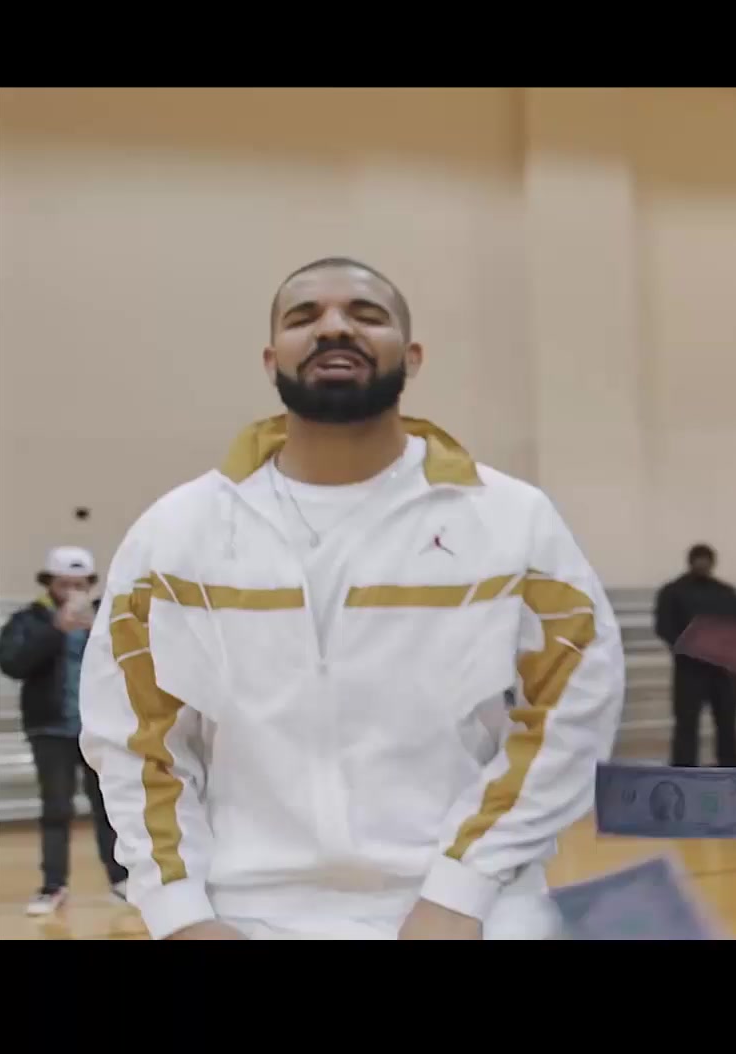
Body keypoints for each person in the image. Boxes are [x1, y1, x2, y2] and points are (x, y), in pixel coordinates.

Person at [78, 256, 625, 941]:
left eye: (366, 315)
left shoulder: (511, 519)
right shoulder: (177, 532)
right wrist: (182, 916)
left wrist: (464, 888)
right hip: (242, 913)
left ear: (413, 356)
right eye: (304, 317)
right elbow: (135, 740)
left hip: (475, 909)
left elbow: (573, 707)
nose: (335, 328)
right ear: (272, 359)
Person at [0, 546, 129, 915]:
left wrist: (102, 632)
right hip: (50, 729)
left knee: (108, 807)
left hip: (99, 729)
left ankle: (121, 879)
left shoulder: (108, 617)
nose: (72, 591)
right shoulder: (29, 619)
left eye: (80, 584)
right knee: (56, 808)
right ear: (49, 583)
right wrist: (56, 629)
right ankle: (53, 885)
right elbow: (12, 663)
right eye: (64, 584)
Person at [653, 543, 736, 767]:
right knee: (686, 726)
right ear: (690, 561)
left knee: (728, 724)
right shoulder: (672, 592)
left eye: (706, 559)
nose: (702, 563)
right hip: (689, 671)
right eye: (698, 559)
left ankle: (733, 774)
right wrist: (689, 649)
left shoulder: (726, 592)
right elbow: (664, 628)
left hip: (723, 670)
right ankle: (684, 775)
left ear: (713, 562)